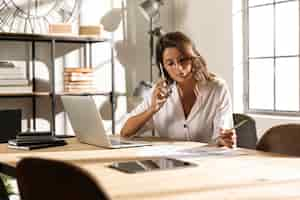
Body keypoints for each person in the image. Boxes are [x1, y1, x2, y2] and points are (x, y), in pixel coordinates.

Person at [120, 31, 235, 148]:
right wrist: (152, 110)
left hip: (206, 162)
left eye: (183, 60)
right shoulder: (159, 92)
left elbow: (221, 139)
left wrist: (224, 140)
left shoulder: (217, 89)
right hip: (170, 163)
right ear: (163, 67)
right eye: (170, 63)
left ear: (192, 58)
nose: (179, 68)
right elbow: (125, 132)